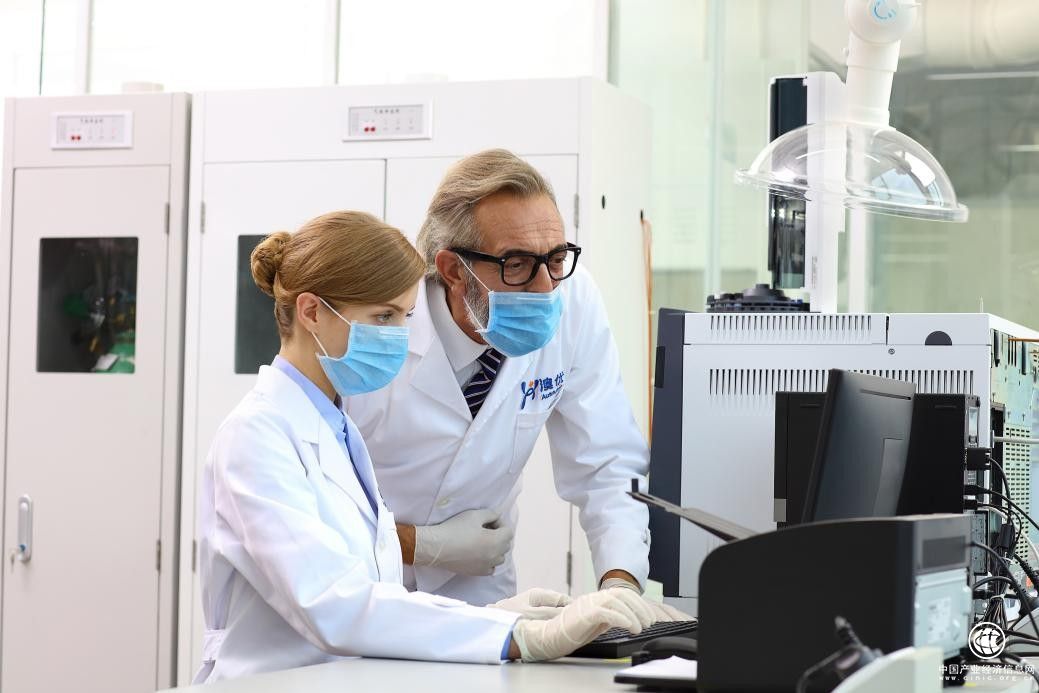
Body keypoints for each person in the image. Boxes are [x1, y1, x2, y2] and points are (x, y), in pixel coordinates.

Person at [195, 210, 670, 683]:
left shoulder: (337, 430)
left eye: (405, 317)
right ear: (312, 312)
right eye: (382, 317)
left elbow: (373, 594)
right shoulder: (256, 437)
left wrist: (497, 615)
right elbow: (335, 604)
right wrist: (517, 634)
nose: (398, 338)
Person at [344, 149, 673, 615]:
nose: (544, 287)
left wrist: (620, 584)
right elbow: (308, 508)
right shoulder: (376, 328)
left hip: (481, 597)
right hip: (366, 591)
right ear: (453, 270)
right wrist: (419, 544)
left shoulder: (573, 299)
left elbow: (606, 462)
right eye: (516, 264)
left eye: (555, 258)